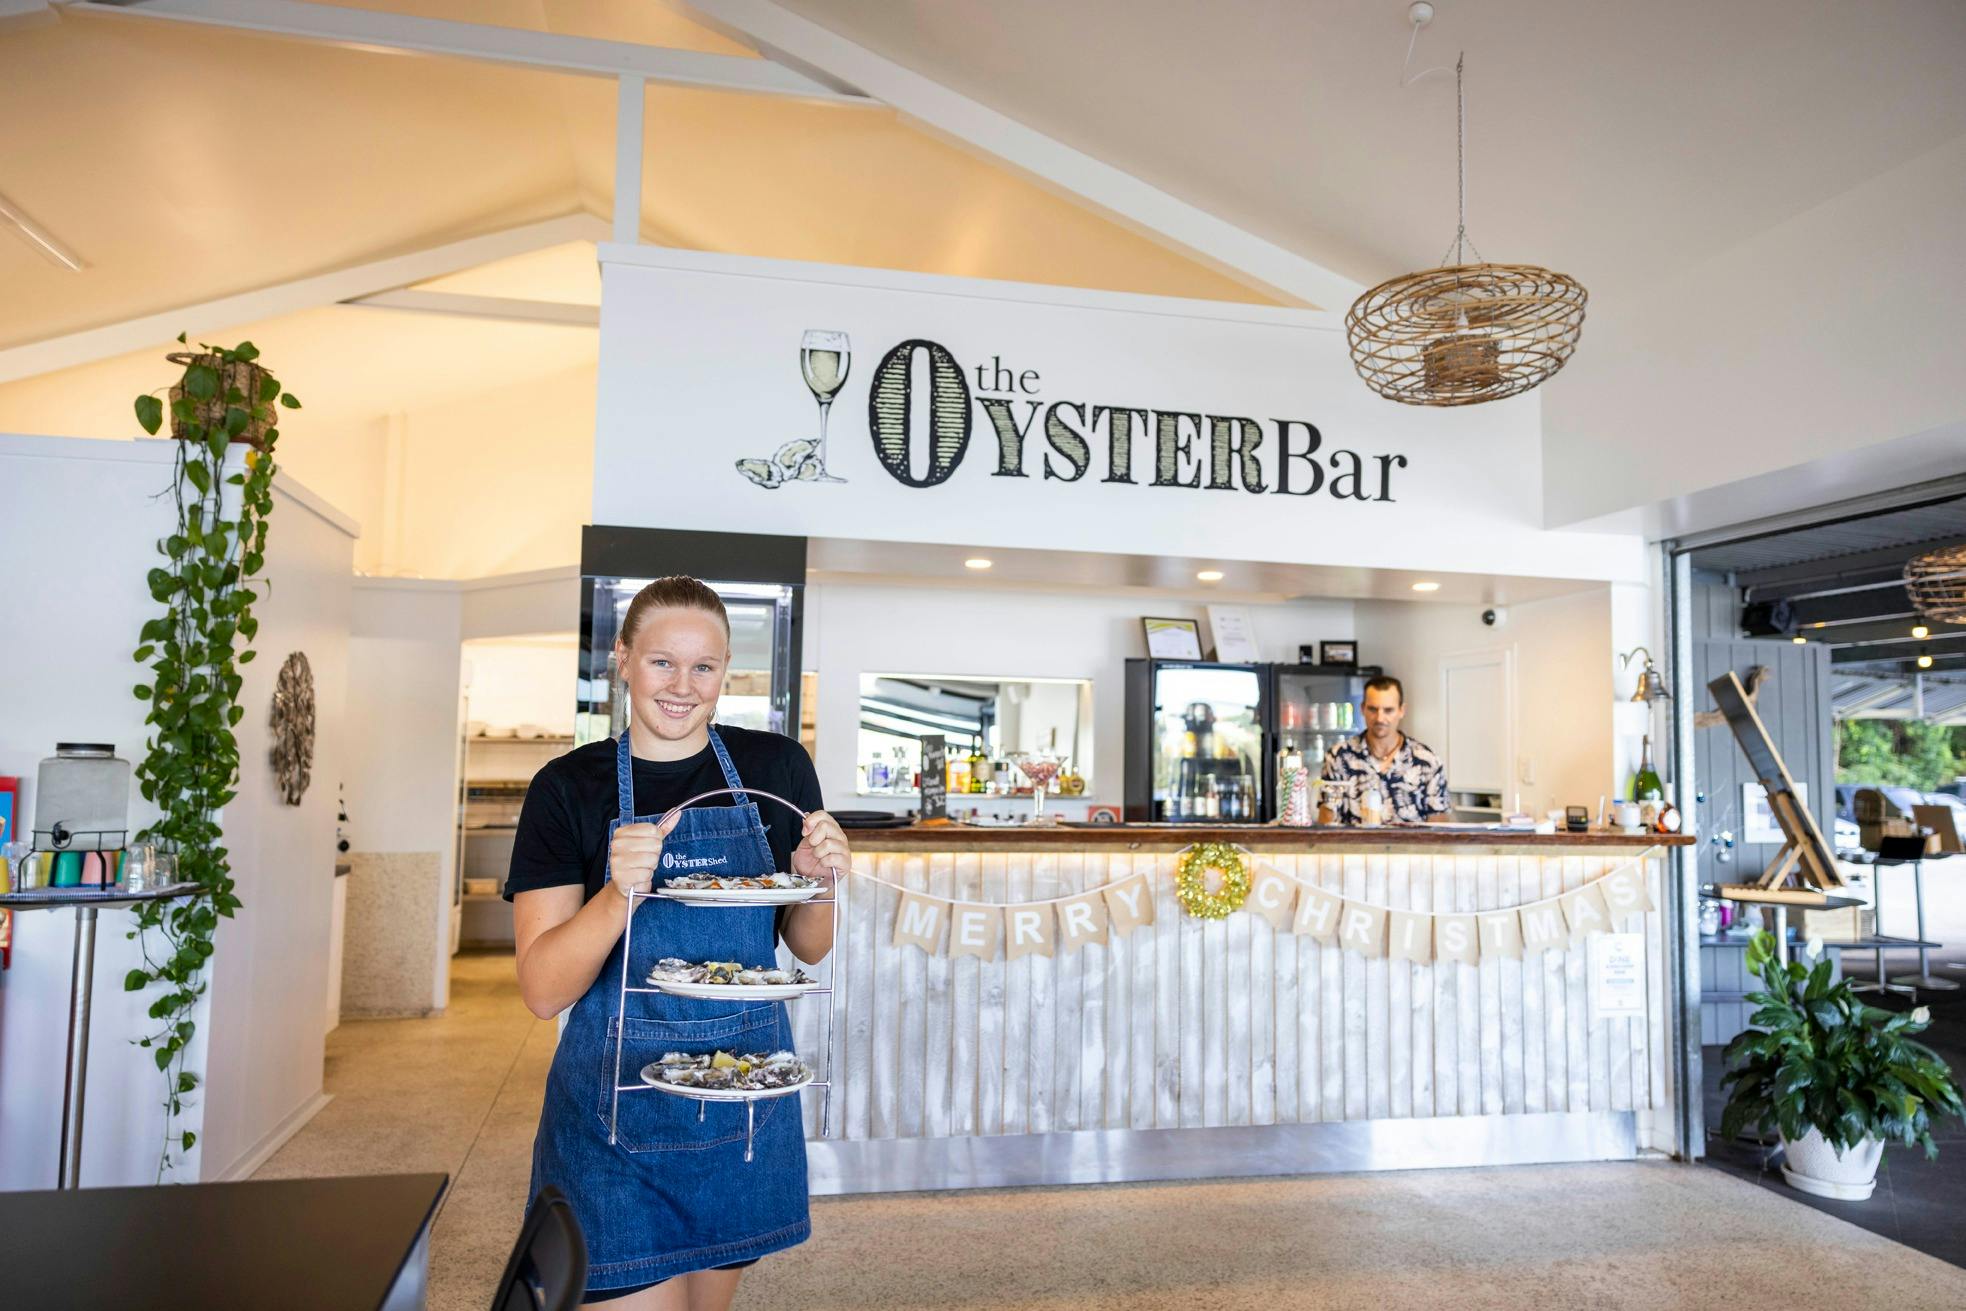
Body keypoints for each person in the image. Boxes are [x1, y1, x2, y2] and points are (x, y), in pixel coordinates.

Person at [505, 575, 849, 1309]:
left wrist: (817, 881)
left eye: (705, 666)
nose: (683, 686)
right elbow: (542, 989)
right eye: (663, 661)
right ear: (623, 658)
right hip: (616, 1117)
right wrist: (617, 892)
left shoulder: (775, 769)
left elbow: (809, 947)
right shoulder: (567, 787)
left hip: (740, 1099)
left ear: (727, 671)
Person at [1317, 675, 1450, 825]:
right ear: (1362, 709)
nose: (1380, 718)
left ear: (1401, 710)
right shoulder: (1338, 757)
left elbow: (1439, 824)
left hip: (1411, 848)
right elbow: (1326, 818)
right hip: (1354, 848)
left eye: (1388, 710)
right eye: (1373, 709)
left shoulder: (1427, 761)